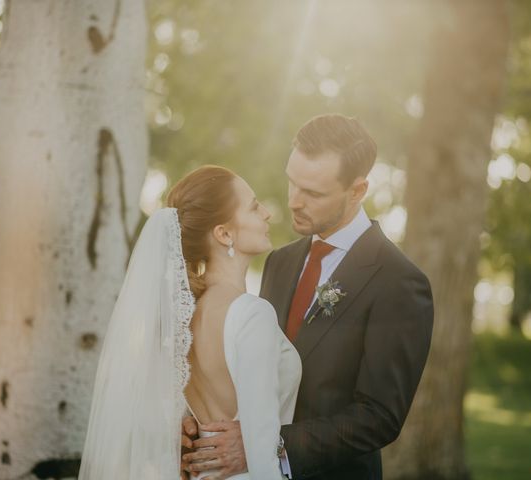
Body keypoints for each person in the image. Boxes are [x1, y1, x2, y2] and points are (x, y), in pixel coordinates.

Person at [181, 114, 434, 480]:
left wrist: (265, 443)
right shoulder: (279, 262)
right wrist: (198, 425)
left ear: (357, 191)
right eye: (292, 182)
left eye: (313, 193)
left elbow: (380, 416)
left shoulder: (399, 283)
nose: (294, 202)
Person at [78, 166, 301, 480]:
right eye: (253, 207)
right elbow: (262, 451)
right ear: (224, 233)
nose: (266, 213)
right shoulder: (253, 314)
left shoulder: (180, 317)